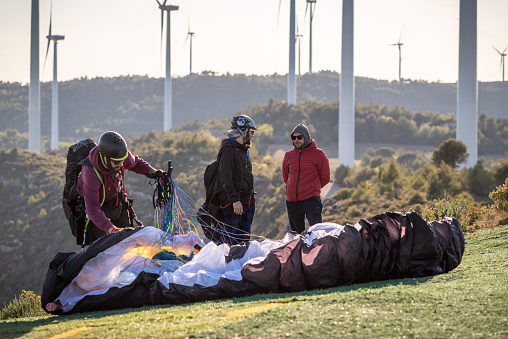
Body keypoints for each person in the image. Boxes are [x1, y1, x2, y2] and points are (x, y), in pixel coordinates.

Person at [77, 131, 163, 244]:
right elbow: (93, 208)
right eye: (117, 162)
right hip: (95, 209)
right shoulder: (90, 174)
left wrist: (153, 172)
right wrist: (111, 229)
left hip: (115, 201)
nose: (121, 164)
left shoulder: (118, 155)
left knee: (129, 242)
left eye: (122, 160)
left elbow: (135, 163)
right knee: (102, 250)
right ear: (105, 157)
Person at [282, 123, 330, 233]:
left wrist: (312, 187)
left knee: (317, 233)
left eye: (299, 137)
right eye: (294, 137)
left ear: (306, 137)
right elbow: (286, 176)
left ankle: (318, 251)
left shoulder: (318, 154)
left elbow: (325, 177)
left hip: (311, 199)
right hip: (292, 201)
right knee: (297, 236)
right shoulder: (288, 155)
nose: (296, 140)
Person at [217, 115, 256, 245]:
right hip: (233, 206)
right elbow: (225, 179)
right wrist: (235, 200)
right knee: (229, 245)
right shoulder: (228, 150)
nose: (253, 135)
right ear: (243, 131)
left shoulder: (243, 150)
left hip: (246, 203)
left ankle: (240, 266)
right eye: (252, 132)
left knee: (244, 245)